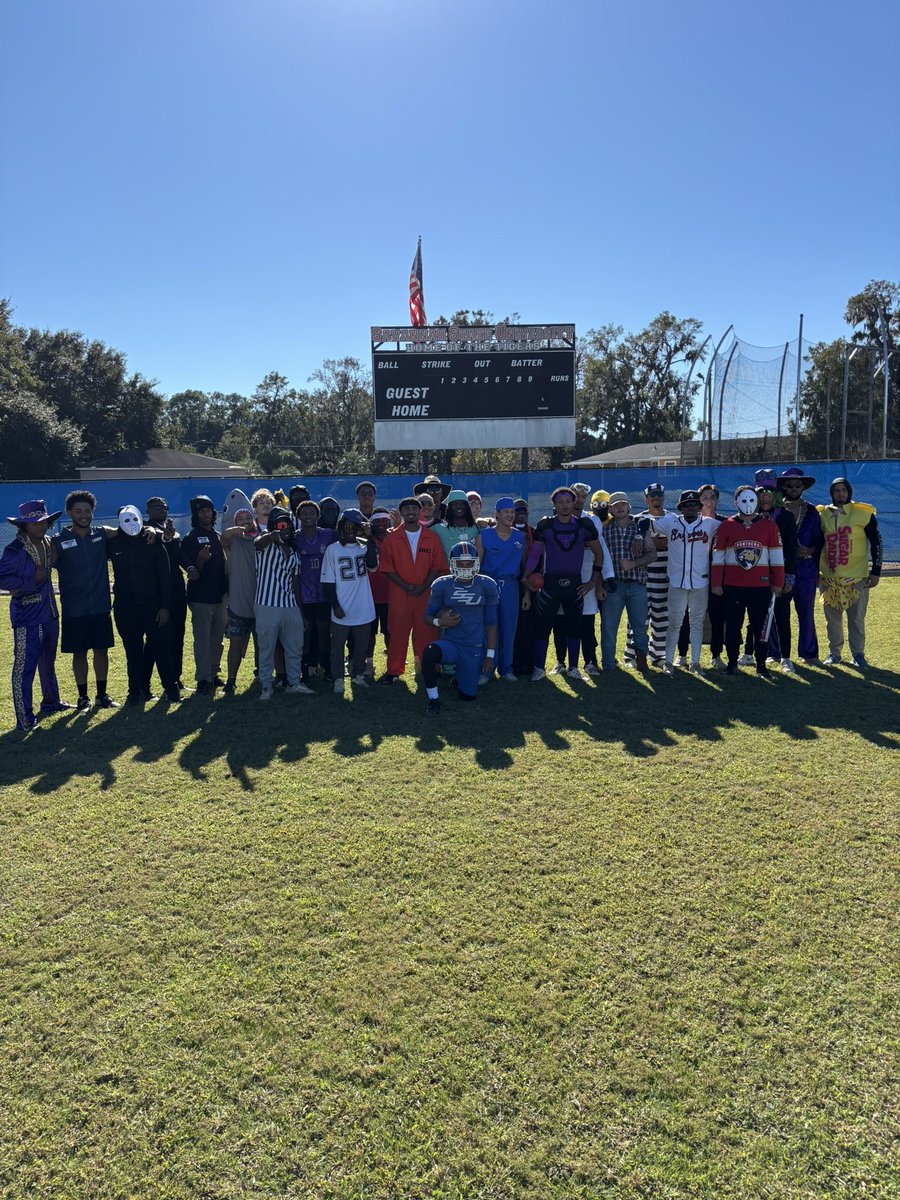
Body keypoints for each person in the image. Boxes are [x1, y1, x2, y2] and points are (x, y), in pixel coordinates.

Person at [522, 486, 607, 681]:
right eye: (560, 502)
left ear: (574, 502)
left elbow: (599, 553)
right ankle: (539, 668)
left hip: (575, 584)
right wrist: (525, 576)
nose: (565, 505)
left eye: (568, 501)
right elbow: (535, 555)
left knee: (574, 627)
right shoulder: (545, 525)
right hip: (550, 583)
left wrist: (592, 582)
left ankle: (573, 668)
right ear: (554, 504)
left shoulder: (584, 525)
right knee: (543, 627)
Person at [50, 489, 124, 711]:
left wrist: (149, 529)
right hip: (74, 609)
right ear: (69, 512)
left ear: (93, 512)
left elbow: (127, 529)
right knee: (79, 653)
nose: (83, 515)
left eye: (87, 511)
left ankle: (102, 695)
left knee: (101, 651)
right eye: (78, 511)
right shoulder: (58, 541)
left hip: (100, 606)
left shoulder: (102, 533)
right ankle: (83, 697)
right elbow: (45, 563)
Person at [0, 500, 68, 731]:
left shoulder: (48, 542)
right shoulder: (14, 550)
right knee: (24, 668)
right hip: (27, 617)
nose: (41, 526)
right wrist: (31, 580)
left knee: (48, 662)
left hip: (50, 613)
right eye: (35, 523)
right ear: (24, 525)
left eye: (43, 522)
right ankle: (24, 718)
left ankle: (51, 702)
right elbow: (3, 579)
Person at [107, 505, 180, 705]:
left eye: (135, 519)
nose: (131, 524)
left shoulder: (153, 542)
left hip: (154, 606)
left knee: (161, 649)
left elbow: (165, 577)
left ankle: (171, 690)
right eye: (126, 520)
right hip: (126, 608)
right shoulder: (112, 544)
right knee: (133, 651)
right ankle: (135, 692)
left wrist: (165, 607)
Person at [711, 486, 784, 677]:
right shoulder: (726, 526)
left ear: (757, 501)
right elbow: (718, 557)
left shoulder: (769, 526)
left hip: (760, 587)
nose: (748, 504)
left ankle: (761, 666)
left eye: (751, 500)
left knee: (760, 628)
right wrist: (716, 583)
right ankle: (732, 664)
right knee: (733, 626)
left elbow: (777, 556)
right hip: (732, 586)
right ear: (735, 502)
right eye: (743, 500)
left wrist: (778, 582)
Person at [376, 496, 448, 684]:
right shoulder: (392, 538)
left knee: (426, 632)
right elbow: (387, 567)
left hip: (425, 594)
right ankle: (394, 671)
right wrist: (405, 585)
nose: (411, 512)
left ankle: (428, 668)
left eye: (414, 508)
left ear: (420, 512)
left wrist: (424, 586)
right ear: (401, 513)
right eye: (406, 509)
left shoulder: (431, 537)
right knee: (397, 632)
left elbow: (437, 566)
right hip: (400, 594)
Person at [421, 542, 499, 714]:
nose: (465, 567)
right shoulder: (442, 584)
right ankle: (433, 700)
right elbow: (427, 617)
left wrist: (490, 656)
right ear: (452, 563)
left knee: (468, 697)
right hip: (451, 643)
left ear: (476, 562)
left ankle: (461, 676)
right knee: (429, 653)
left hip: (473, 647)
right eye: (460, 563)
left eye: (469, 563)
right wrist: (440, 622)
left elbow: (491, 623)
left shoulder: (487, 584)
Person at [651, 491, 720, 675]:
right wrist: (643, 537)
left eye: (694, 504)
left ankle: (695, 662)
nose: (690, 508)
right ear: (680, 508)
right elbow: (646, 523)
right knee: (674, 624)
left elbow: (731, 526)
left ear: (699, 507)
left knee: (697, 623)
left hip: (700, 582)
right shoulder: (671, 522)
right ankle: (668, 661)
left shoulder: (709, 524)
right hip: (677, 583)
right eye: (686, 505)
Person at [817, 477, 882, 668]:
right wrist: (815, 572)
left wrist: (876, 571)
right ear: (832, 493)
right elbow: (817, 544)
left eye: (843, 490)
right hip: (829, 578)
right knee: (832, 621)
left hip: (857, 578)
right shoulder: (822, 514)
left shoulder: (863, 513)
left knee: (856, 620)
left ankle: (858, 654)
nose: (840, 494)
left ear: (849, 491)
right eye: (836, 490)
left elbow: (877, 542)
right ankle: (834, 653)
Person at [253, 507, 313, 700]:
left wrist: (301, 612)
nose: (284, 529)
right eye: (279, 525)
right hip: (267, 604)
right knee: (266, 648)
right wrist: (272, 535)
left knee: (295, 647)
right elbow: (257, 543)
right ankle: (266, 686)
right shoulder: (266, 545)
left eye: (287, 525)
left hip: (290, 604)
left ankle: (293, 683)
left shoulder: (294, 552)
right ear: (273, 527)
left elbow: (295, 584)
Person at [320, 509, 379, 694]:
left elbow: (373, 566)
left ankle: (358, 675)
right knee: (337, 647)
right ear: (340, 527)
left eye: (354, 527)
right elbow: (328, 582)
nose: (349, 531)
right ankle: (338, 678)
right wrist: (335, 605)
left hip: (363, 607)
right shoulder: (333, 549)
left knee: (361, 646)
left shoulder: (365, 546)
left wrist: (369, 538)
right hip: (341, 607)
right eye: (346, 527)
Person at [600, 492, 657, 671]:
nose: (620, 508)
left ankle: (641, 661)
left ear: (629, 507)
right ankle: (608, 664)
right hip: (613, 585)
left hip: (637, 584)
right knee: (609, 627)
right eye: (616, 505)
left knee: (639, 626)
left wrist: (634, 563)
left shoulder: (640, 528)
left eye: (623, 504)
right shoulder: (605, 529)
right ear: (610, 509)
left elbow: (652, 554)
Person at [748, 470, 799, 672]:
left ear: (776, 493)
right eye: (761, 491)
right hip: (755, 576)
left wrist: (789, 577)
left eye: (770, 491)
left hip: (780, 574)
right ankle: (750, 653)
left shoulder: (785, 517)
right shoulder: (749, 517)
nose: (765, 495)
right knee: (755, 617)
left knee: (782, 616)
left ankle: (786, 657)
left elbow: (792, 549)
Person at [179, 495, 228, 694]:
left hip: (220, 596)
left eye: (208, 510)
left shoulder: (218, 536)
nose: (206, 514)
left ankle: (214, 673)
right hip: (201, 598)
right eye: (201, 511)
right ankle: (203, 679)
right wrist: (200, 560)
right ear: (196, 515)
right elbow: (194, 573)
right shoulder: (191, 538)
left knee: (217, 639)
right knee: (202, 639)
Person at [777, 467, 824, 665]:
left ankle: (809, 653)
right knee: (778, 611)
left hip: (806, 568)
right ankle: (775, 653)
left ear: (803, 487)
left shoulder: (811, 511)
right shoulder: (776, 510)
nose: (794, 489)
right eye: (789, 485)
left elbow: (820, 539)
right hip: (781, 567)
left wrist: (810, 550)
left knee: (806, 611)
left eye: (797, 485)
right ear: (783, 487)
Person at [476, 498, 527, 681]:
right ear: (497, 514)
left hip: (510, 586)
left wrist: (527, 591)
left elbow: (524, 567)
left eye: (512, 512)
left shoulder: (519, 537)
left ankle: (507, 668)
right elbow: (477, 565)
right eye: (506, 512)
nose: (510, 515)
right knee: (490, 628)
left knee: (509, 629)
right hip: (489, 586)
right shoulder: (484, 536)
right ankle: (487, 670)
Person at [144, 496, 188, 694]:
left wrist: (191, 567)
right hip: (158, 593)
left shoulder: (171, 530)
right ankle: (143, 684)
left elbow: (179, 556)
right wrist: (165, 536)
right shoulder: (146, 531)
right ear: (148, 511)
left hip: (177, 590)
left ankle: (175, 678)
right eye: (157, 507)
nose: (162, 510)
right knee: (156, 641)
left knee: (178, 636)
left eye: (165, 507)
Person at [624, 483, 670, 666]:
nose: (656, 498)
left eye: (659, 495)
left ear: (663, 497)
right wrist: (651, 545)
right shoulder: (637, 520)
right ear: (646, 499)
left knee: (661, 618)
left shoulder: (673, 519)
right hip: (642, 577)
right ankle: (631, 655)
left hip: (664, 576)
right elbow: (629, 546)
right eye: (652, 495)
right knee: (637, 618)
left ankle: (657, 656)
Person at [295, 500, 337, 681]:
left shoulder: (328, 535)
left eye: (312, 513)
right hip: (303, 594)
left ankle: (326, 667)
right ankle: (305, 669)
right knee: (305, 632)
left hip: (323, 593)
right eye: (304, 513)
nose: (308, 516)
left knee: (324, 632)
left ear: (318, 516)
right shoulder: (295, 538)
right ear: (298, 516)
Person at [220, 507, 259, 694]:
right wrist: (234, 530)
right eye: (240, 519)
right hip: (238, 604)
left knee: (264, 645)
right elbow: (224, 538)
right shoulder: (233, 541)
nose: (244, 521)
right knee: (235, 644)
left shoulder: (261, 539)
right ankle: (231, 680)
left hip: (261, 603)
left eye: (247, 517)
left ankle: (264, 676)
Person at [365, 508, 393, 674]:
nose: (381, 523)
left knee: (389, 630)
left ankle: (392, 661)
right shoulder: (366, 540)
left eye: (384, 520)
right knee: (370, 632)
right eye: (377, 520)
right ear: (372, 523)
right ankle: (369, 662)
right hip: (370, 593)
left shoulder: (394, 538)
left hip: (390, 593)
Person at [434, 490, 480, 559]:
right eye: (454, 504)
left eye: (462, 503)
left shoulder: (477, 527)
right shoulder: (438, 529)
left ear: (467, 507)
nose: (458, 506)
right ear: (449, 508)